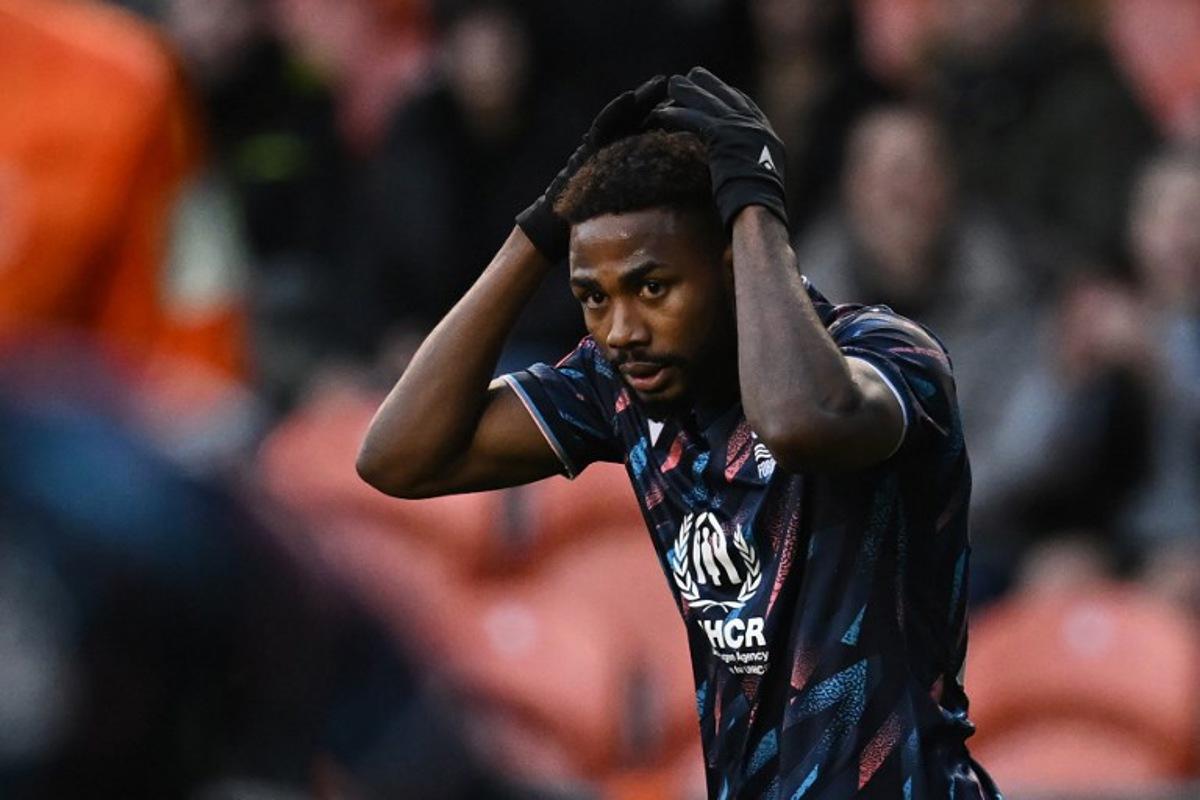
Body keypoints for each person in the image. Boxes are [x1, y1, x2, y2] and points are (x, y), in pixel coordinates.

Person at [357, 68, 1000, 799]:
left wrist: (755, 205)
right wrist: (542, 224)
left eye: (652, 287)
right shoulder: (620, 386)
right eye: (592, 298)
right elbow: (397, 457)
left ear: (732, 266)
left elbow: (795, 422)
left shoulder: (886, 357)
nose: (621, 329)